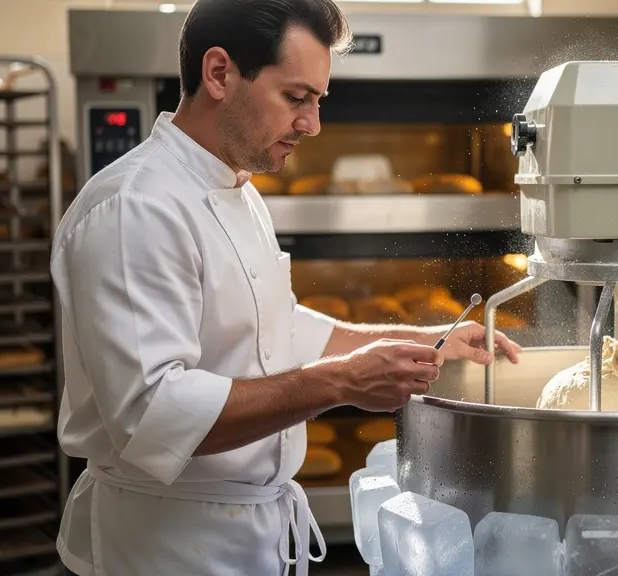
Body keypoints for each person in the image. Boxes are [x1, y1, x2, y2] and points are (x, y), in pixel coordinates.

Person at [50, 1, 521, 575]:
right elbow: (155, 412)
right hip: (162, 546)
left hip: (253, 538)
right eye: (296, 98)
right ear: (219, 73)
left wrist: (424, 338)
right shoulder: (135, 208)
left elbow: (276, 329)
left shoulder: (240, 190)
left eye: (317, 101)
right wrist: (344, 380)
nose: (312, 125)